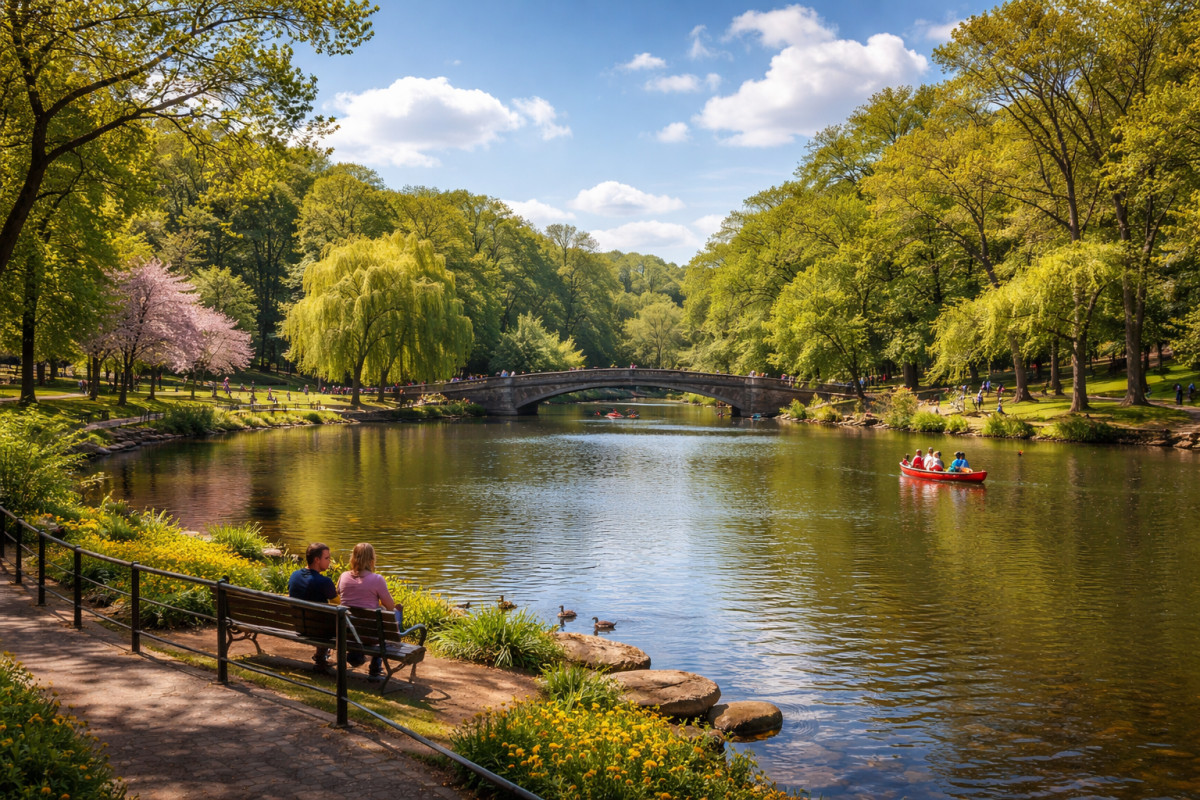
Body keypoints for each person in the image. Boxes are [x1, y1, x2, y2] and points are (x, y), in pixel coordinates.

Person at [336, 543, 400, 681]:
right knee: (395, 612)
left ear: (353, 558)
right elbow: (390, 606)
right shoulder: (377, 579)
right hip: (371, 636)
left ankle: (355, 653)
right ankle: (375, 665)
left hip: (347, 633)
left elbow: (339, 595)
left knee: (361, 618)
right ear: (372, 560)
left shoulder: (343, 576)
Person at [288, 543, 338, 672]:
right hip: (319, 631)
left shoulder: (294, 576)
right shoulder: (324, 582)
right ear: (317, 560)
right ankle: (322, 656)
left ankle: (320, 656)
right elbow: (340, 602)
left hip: (298, 626)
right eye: (327, 558)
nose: (329, 561)